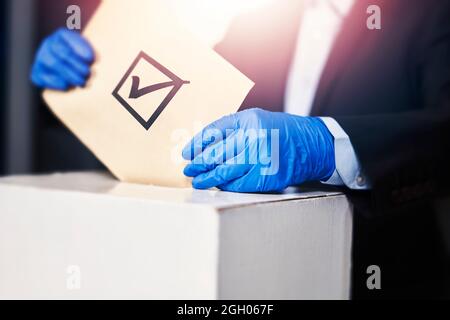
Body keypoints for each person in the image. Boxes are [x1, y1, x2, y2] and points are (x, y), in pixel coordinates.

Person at [31, 0, 450, 298]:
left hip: (382, 279)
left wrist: (329, 145)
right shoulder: (262, 24)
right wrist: (86, 77)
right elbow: (174, 105)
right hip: (255, 281)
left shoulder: (428, 12)